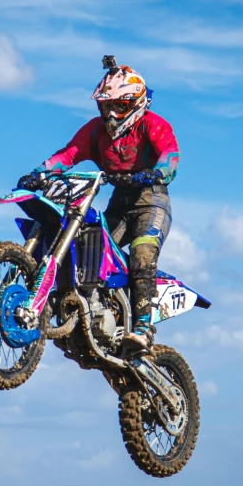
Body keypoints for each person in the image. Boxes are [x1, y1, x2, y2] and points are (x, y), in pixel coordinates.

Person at [18, 56, 179, 352]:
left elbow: (170, 157)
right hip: (119, 202)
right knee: (92, 252)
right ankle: (95, 315)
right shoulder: (96, 130)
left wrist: (156, 172)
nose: (112, 114)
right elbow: (68, 155)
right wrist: (39, 172)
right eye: (107, 106)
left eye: (119, 106)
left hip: (151, 199)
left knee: (142, 253)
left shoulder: (153, 125)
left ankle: (143, 327)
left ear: (136, 103)